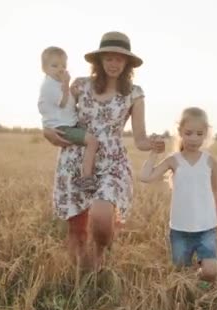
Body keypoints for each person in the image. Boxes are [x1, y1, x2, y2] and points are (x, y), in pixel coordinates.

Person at [43, 32, 165, 270]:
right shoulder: (80, 85)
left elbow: (140, 139)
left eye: (119, 59)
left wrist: (154, 144)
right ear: (99, 61)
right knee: (77, 227)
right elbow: (56, 110)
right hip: (76, 159)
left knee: (101, 217)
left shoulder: (134, 93)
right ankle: (82, 275)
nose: (113, 64)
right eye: (108, 58)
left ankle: (100, 254)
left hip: (112, 161)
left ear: (127, 63)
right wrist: (46, 130)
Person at [139, 107, 217, 284]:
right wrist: (154, 152)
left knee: (211, 271)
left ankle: (199, 281)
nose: (193, 138)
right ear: (180, 132)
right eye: (188, 133)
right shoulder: (173, 160)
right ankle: (192, 296)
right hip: (180, 228)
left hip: (206, 227)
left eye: (199, 133)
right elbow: (145, 177)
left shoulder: (210, 162)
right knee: (180, 273)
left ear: (205, 134)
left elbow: (215, 192)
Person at [38, 46, 99, 191]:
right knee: (92, 141)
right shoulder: (49, 85)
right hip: (64, 128)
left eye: (63, 66)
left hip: (68, 123)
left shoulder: (56, 83)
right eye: (55, 65)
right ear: (44, 68)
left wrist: (71, 91)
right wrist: (67, 85)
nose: (60, 69)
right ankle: (86, 178)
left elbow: (67, 103)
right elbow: (62, 103)